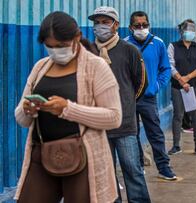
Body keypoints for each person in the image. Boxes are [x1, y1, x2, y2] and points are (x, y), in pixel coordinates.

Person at [14, 11, 122, 202]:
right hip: (42, 153)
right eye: (50, 46)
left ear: (77, 37)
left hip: (84, 156)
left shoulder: (96, 67)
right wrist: (27, 110)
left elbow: (114, 117)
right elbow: (22, 119)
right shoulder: (40, 67)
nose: (56, 51)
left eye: (62, 46)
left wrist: (67, 109)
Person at [88, 6, 151, 203]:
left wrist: (127, 103)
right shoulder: (89, 51)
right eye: (97, 22)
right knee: (105, 174)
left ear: (116, 25)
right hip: (98, 125)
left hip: (124, 124)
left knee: (132, 169)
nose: (100, 26)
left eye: (105, 22)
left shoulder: (129, 50)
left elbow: (141, 82)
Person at [124, 11, 177, 180]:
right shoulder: (124, 45)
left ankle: (163, 167)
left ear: (149, 25)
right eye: (137, 25)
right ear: (130, 27)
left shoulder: (158, 43)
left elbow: (166, 69)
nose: (141, 28)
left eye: (144, 25)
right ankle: (138, 165)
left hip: (148, 98)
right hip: (129, 99)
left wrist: (156, 86)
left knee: (155, 133)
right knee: (132, 133)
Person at [167, 19, 196, 156]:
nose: (189, 33)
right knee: (177, 116)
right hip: (178, 87)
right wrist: (181, 80)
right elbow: (170, 65)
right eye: (186, 30)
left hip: (194, 86)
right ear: (181, 31)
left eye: (192, 30)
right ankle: (176, 145)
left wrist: (188, 78)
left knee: (195, 116)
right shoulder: (173, 46)